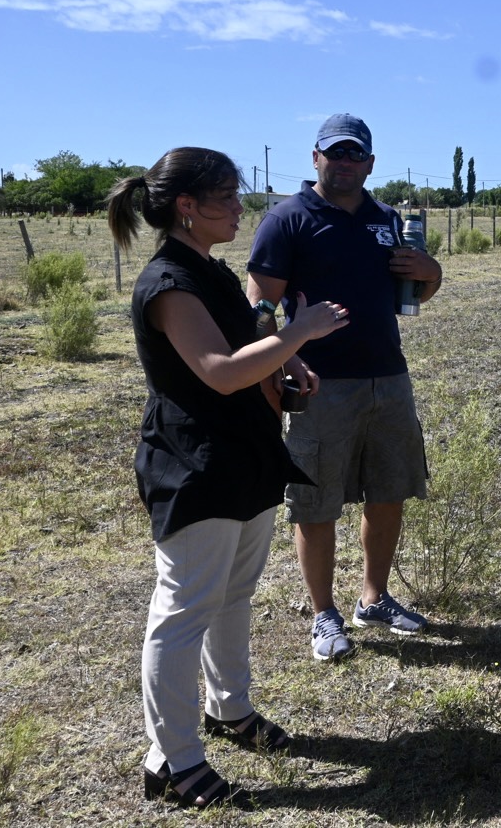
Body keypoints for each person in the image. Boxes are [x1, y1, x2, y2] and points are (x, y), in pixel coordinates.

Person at [108, 148, 349, 809]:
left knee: (234, 595)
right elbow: (216, 370)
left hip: (245, 455)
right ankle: (174, 762)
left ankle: (230, 710)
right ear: (188, 206)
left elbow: (244, 357)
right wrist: (297, 335)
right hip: (196, 466)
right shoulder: (169, 283)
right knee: (183, 614)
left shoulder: (210, 273)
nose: (240, 206)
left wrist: (280, 368)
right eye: (227, 196)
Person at [246, 114, 442, 662]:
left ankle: (374, 599)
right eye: (335, 154)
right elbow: (259, 310)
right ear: (315, 158)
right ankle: (324, 614)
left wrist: (432, 272)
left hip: (388, 376)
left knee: (388, 490)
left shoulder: (386, 218)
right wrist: (277, 367)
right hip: (317, 384)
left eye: (355, 155)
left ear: (370, 164)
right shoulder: (287, 219)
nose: (344, 163)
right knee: (316, 501)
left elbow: (412, 295)